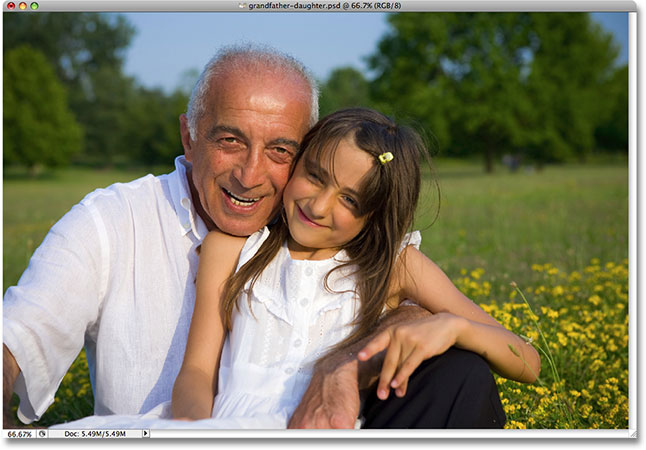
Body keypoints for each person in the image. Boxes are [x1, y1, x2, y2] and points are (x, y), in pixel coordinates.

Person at [3, 45, 506, 430]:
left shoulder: (322, 234)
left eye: (280, 151)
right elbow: (17, 336)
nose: (250, 175)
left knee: (461, 374)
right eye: (229, 140)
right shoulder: (111, 221)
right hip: (192, 429)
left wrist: (385, 342)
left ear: (304, 151)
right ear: (188, 136)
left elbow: (389, 289)